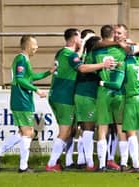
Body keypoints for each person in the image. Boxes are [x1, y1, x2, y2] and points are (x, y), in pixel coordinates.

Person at [45, 28, 114, 172]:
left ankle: (63, 162)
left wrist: (82, 47)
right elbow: (81, 67)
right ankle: (52, 164)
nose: (81, 40)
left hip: (57, 94)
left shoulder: (62, 52)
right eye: (79, 37)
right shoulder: (72, 55)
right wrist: (103, 65)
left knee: (70, 130)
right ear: (74, 38)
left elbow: (76, 59)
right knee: (67, 131)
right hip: (65, 96)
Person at [0, 35, 55, 173]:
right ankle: (23, 167)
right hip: (21, 100)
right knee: (28, 133)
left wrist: (48, 72)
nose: (37, 47)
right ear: (27, 45)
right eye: (35, 44)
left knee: (24, 132)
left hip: (23, 100)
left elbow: (30, 78)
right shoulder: (21, 59)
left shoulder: (25, 60)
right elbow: (20, 80)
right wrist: (36, 90)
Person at [100, 51, 139, 173]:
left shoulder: (125, 62)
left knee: (131, 133)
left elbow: (117, 84)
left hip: (131, 100)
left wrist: (102, 82)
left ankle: (135, 166)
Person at [93, 25, 126, 171]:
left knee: (102, 129)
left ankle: (101, 165)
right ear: (113, 34)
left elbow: (90, 65)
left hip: (102, 92)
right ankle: (124, 163)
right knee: (121, 128)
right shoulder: (121, 50)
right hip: (118, 92)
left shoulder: (96, 51)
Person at [74, 36, 101, 171]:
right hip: (87, 96)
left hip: (81, 95)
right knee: (89, 129)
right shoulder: (93, 57)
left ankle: (83, 160)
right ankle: (89, 163)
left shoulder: (85, 56)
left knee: (85, 129)